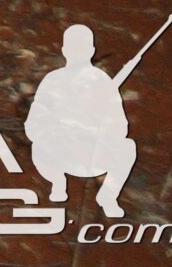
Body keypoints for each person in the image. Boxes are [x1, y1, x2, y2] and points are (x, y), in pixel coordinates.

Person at [26, 22, 139, 218]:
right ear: (64, 50)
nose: (77, 52)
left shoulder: (102, 81)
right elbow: (34, 123)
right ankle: (58, 182)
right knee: (38, 146)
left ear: (91, 51)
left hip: (92, 153)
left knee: (128, 148)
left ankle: (108, 196)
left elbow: (120, 126)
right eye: (73, 47)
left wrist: (95, 125)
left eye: (82, 47)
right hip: (59, 152)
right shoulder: (53, 80)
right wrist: (57, 127)